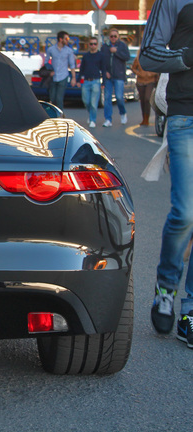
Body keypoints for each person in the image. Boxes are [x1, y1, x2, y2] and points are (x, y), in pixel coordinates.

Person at [139, 0, 193, 349]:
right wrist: (186, 58)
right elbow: (148, 56)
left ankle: (190, 309)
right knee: (186, 213)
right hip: (186, 115)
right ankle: (165, 289)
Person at [101, 28, 130, 127]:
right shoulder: (105, 47)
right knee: (107, 98)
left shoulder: (122, 46)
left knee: (119, 97)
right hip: (108, 77)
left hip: (119, 76)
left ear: (118, 37)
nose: (113, 38)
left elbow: (127, 57)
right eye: (111, 36)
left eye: (115, 36)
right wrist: (105, 72)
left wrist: (116, 52)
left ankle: (123, 113)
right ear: (109, 37)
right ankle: (108, 119)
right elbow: (102, 61)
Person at [44, 30, 77, 109]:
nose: (67, 40)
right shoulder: (51, 49)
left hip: (63, 76)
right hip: (53, 76)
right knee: (52, 99)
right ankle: (52, 117)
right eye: (66, 38)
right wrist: (50, 70)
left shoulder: (69, 51)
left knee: (59, 99)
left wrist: (73, 78)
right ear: (60, 39)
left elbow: (72, 65)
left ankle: (60, 117)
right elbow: (46, 61)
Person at [79, 36, 106, 128]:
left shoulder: (101, 55)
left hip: (96, 81)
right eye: (91, 44)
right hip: (86, 81)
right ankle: (91, 115)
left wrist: (104, 83)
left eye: (95, 44)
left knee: (94, 102)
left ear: (97, 45)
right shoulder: (86, 56)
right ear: (88, 45)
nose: (93, 45)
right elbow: (81, 68)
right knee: (86, 101)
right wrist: (78, 80)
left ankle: (92, 120)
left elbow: (104, 69)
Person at [132, 49, 159, 126]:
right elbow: (133, 68)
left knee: (147, 99)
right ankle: (144, 118)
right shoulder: (138, 58)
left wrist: (151, 74)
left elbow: (157, 68)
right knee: (142, 100)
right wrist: (139, 73)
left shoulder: (153, 59)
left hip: (150, 81)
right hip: (141, 81)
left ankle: (147, 118)